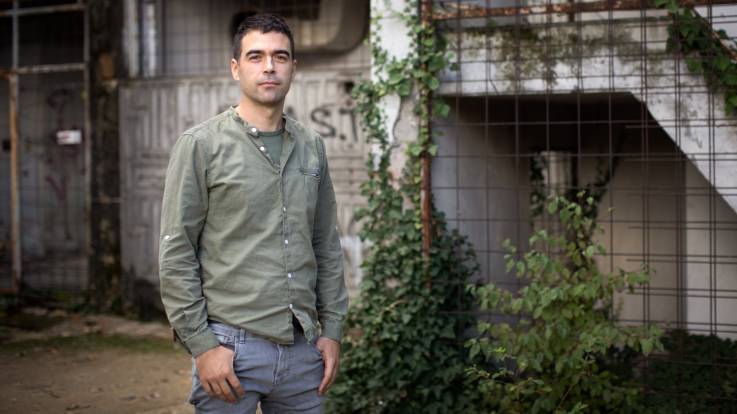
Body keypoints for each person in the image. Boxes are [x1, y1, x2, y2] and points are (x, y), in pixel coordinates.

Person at [158, 13, 348, 413]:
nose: (268, 67)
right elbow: (176, 253)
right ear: (235, 67)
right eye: (255, 56)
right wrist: (202, 345)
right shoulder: (201, 145)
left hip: (303, 352)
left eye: (280, 57)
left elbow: (325, 244)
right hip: (230, 350)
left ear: (294, 67)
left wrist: (331, 331)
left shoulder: (312, 145)